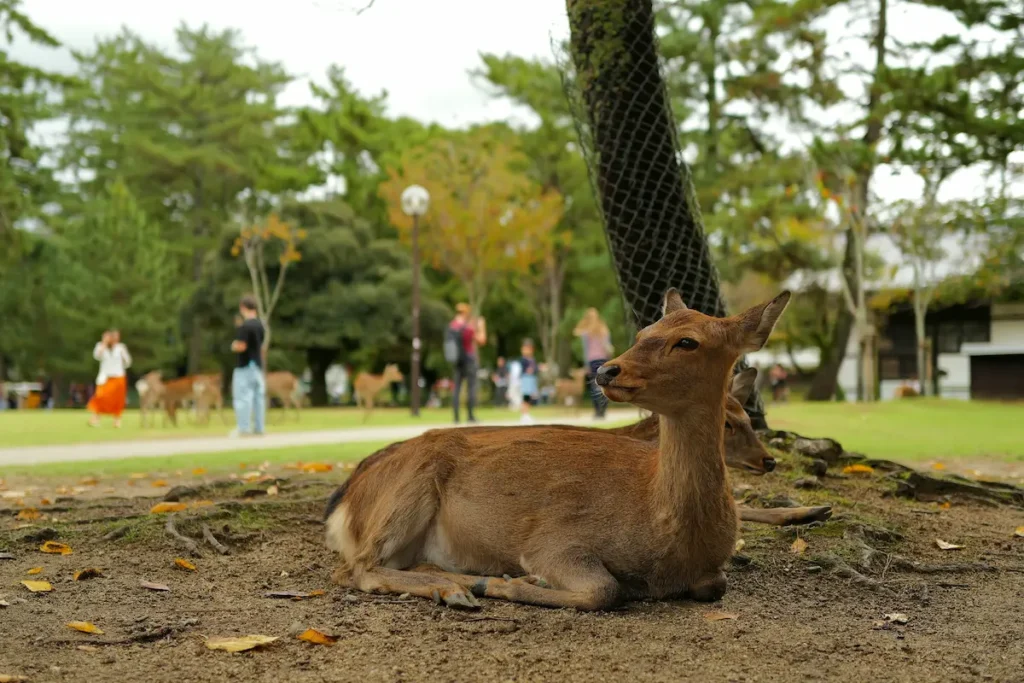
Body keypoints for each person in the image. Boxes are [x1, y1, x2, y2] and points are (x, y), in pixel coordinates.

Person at [230, 294, 266, 437]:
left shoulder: (245, 326)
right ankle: (259, 427)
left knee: (242, 398)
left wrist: (233, 346)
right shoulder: (260, 325)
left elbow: (242, 346)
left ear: (243, 308)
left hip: (245, 366)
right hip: (257, 365)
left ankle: (244, 428)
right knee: (258, 398)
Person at [446, 303, 486, 423]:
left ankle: (456, 417)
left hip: (457, 361)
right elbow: (482, 340)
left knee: (456, 388)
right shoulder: (468, 327)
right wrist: (481, 326)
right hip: (469, 359)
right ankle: (470, 415)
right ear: (466, 312)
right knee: (471, 387)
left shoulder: (452, 326)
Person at [574, 307, 614, 419]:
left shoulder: (586, 333)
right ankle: (603, 411)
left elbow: (586, 350)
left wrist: (586, 365)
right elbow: (608, 346)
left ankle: (597, 411)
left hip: (592, 361)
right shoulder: (604, 329)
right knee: (604, 384)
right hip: (603, 360)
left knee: (594, 385)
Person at [87, 329, 132, 428]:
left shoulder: (121, 348)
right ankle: (95, 418)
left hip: (118, 376)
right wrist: (104, 343)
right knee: (100, 397)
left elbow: (128, 362)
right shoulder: (100, 346)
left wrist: (123, 358)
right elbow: (97, 356)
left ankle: (117, 421)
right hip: (105, 377)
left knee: (118, 400)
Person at [517, 338, 539, 424]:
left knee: (529, 397)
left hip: (531, 379)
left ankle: (527, 414)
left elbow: (535, 369)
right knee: (525, 397)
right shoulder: (523, 359)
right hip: (526, 379)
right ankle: (524, 415)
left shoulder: (532, 359)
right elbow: (523, 369)